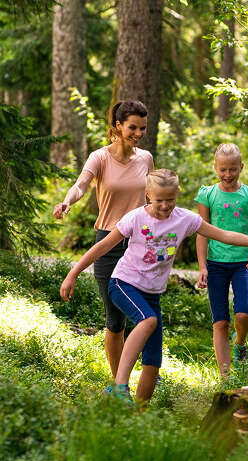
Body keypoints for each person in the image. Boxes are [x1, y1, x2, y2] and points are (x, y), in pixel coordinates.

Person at [60, 169, 248, 404]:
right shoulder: (136, 218)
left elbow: (225, 235)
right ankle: (119, 386)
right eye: (159, 200)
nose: (165, 205)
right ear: (148, 195)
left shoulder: (185, 219)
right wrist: (73, 273)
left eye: (170, 199)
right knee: (148, 321)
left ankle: (139, 415)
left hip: (152, 294)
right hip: (124, 283)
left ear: (177, 194)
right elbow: (102, 247)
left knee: (153, 363)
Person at [53, 100, 153, 379]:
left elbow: (152, 196)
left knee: (144, 314)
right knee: (115, 320)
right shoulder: (100, 157)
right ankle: (118, 384)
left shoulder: (145, 158)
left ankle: (139, 373)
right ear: (118, 126)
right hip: (108, 241)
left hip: (140, 243)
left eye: (142, 128)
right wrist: (66, 202)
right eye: (132, 127)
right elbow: (81, 184)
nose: (138, 133)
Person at [195, 143, 248, 377]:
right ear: (215, 168)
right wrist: (203, 266)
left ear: (241, 167)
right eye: (223, 170)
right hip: (216, 264)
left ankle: (241, 344)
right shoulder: (207, 195)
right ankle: (225, 377)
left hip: (243, 263)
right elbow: (202, 231)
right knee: (220, 322)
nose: (228, 175)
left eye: (233, 169)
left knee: (244, 312)